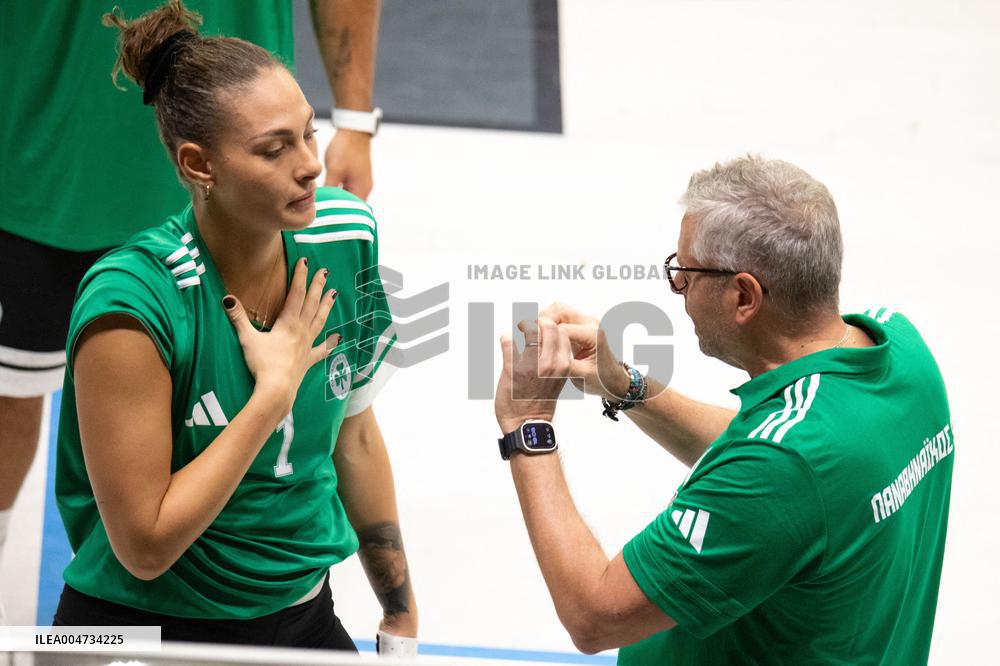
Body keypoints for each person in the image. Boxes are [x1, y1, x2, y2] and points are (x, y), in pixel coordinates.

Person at [48, 1, 416, 655]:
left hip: (300, 612)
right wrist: (272, 394)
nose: (308, 164)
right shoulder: (131, 305)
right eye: (274, 149)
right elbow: (144, 546)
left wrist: (401, 612)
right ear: (199, 166)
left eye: (308, 133)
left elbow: (355, 436)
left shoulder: (344, 237)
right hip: (131, 625)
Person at [494, 155, 953, 664]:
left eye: (684, 274)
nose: (679, 291)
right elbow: (774, 462)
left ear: (743, 295)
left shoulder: (784, 468)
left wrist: (527, 423)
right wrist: (624, 386)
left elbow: (594, 616)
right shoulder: (901, 353)